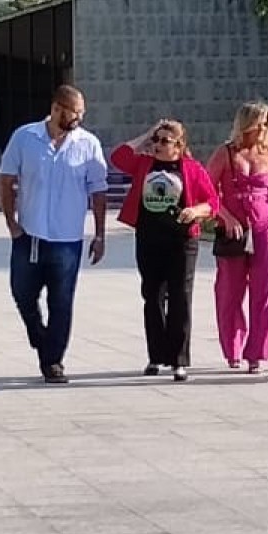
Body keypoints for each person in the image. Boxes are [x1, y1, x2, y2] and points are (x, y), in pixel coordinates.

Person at [0, 84, 108, 384]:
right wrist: (11, 222)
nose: (79, 119)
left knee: (61, 302)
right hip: (29, 234)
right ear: (57, 108)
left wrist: (100, 234)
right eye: (74, 113)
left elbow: (98, 191)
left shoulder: (88, 144)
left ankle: (53, 361)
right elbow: (6, 179)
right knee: (22, 293)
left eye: (82, 113)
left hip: (67, 239)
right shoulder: (25, 137)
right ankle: (38, 335)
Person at [112, 119, 221, 383]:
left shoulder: (192, 169)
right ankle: (156, 355)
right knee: (152, 295)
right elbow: (119, 157)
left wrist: (195, 211)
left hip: (182, 240)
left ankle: (179, 360)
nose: (158, 146)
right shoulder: (145, 164)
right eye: (156, 141)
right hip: (150, 237)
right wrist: (147, 134)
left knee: (181, 297)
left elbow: (213, 202)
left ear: (180, 145)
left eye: (164, 141)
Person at [207, 101, 268, 373]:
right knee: (229, 291)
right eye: (259, 123)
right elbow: (207, 192)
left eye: (266, 124)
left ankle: (256, 352)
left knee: (264, 292)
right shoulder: (225, 153)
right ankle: (232, 347)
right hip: (234, 229)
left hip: (264, 227)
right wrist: (225, 216)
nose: (263, 129)